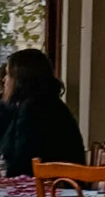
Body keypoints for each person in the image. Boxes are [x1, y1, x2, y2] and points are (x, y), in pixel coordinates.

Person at [0, 50, 85, 178]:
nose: (4, 79)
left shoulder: (34, 109)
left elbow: (21, 162)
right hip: (61, 186)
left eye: (8, 74)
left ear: (21, 79)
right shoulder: (46, 103)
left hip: (53, 190)